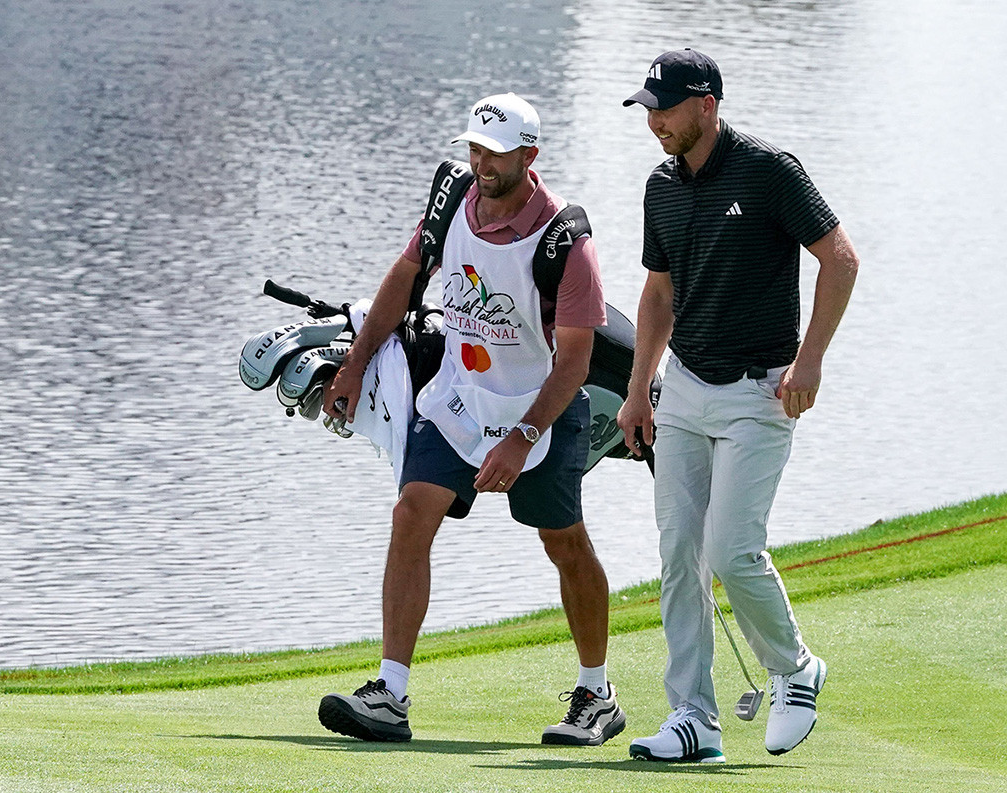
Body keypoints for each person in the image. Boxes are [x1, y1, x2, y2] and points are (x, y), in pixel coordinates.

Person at [315, 92, 626, 747]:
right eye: (474, 148)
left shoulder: (566, 240)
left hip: (539, 410)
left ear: (529, 155)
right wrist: (354, 363)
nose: (480, 162)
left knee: (563, 542)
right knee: (410, 512)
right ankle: (390, 695)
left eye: (495, 151)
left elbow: (574, 361)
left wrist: (522, 437)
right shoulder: (452, 197)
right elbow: (407, 275)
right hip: (458, 399)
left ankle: (596, 694)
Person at [618, 50, 860, 762]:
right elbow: (659, 293)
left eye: (665, 108)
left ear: (706, 105)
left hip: (762, 391)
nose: (654, 121)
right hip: (686, 387)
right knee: (677, 555)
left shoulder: (768, 170)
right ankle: (693, 716)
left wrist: (810, 358)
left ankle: (795, 668)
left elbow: (840, 258)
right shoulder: (660, 186)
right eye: (648, 109)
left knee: (731, 548)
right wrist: (639, 388)